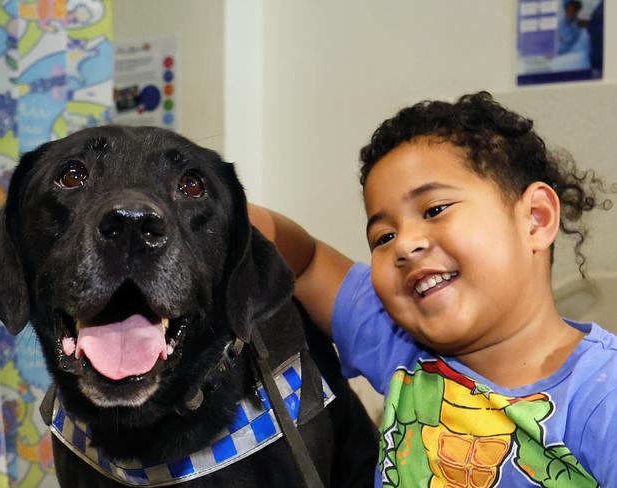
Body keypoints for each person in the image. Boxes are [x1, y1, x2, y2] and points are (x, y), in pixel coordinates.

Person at [248, 92, 616, 487]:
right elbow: (307, 262)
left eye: (435, 210)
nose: (404, 245)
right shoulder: (399, 345)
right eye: (383, 236)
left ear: (536, 218)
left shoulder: (603, 394)